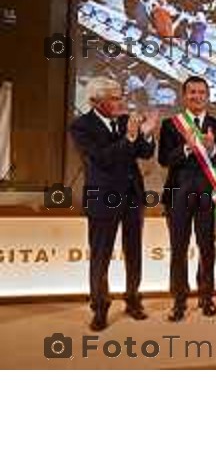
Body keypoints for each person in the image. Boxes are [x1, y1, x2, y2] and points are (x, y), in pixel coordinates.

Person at [70, 77, 158, 331]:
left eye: (121, 96)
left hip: (132, 197)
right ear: (96, 101)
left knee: (134, 252)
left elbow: (144, 153)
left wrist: (147, 135)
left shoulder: (123, 121)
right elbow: (102, 159)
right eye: (115, 98)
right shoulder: (81, 127)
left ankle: (133, 300)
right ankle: (100, 307)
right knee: (101, 256)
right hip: (103, 198)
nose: (122, 102)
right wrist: (129, 139)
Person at [158, 76, 216, 321]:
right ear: (184, 96)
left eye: (201, 92)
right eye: (192, 92)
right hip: (177, 195)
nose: (197, 96)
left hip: (208, 196)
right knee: (178, 250)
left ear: (207, 96)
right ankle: (179, 300)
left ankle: (206, 297)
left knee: (207, 249)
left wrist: (211, 149)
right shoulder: (171, 125)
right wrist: (187, 147)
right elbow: (164, 160)